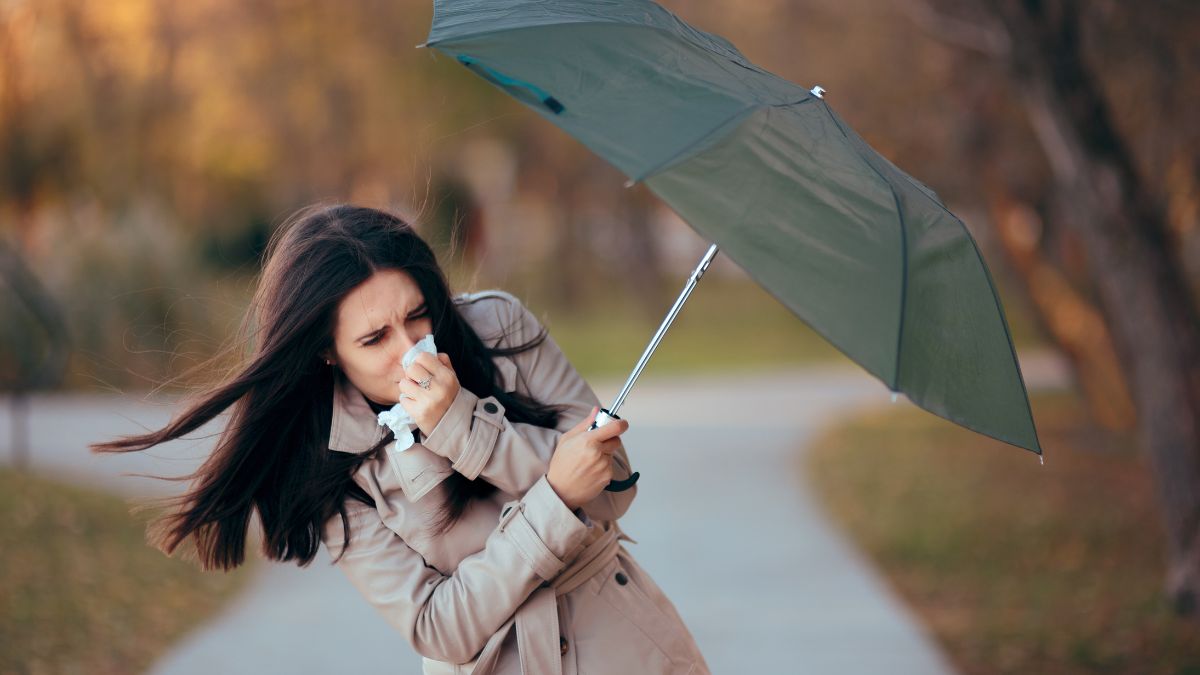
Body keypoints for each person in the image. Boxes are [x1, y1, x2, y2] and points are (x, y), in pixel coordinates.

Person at [92, 203, 711, 675]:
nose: (410, 348)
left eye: (417, 316)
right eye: (373, 338)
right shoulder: (323, 465)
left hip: (629, 646)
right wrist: (551, 497)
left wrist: (468, 429)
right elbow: (439, 625)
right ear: (326, 353)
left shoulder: (497, 327)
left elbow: (612, 492)